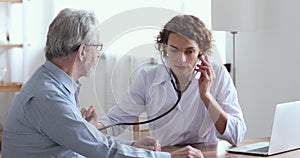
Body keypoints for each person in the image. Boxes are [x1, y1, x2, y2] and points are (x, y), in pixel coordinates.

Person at [1, 8, 203, 158]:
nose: (99, 53)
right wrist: (168, 157)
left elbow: (90, 141)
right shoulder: (49, 96)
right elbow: (100, 149)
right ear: (82, 52)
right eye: (97, 46)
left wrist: (133, 146)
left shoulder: (53, 84)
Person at [94, 14, 247, 146]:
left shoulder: (218, 74)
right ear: (165, 49)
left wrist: (206, 97)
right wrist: (92, 127)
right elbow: (118, 119)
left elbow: (236, 135)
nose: (181, 59)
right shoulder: (148, 78)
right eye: (174, 50)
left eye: (189, 51)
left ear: (201, 52)